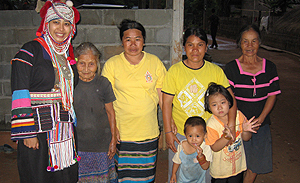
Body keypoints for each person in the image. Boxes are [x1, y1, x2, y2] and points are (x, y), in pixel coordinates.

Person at [10, 0, 80, 182]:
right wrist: (27, 132)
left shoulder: (67, 57)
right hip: (37, 131)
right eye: (55, 22)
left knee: (64, 174)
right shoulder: (30, 51)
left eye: (66, 24)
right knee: (37, 174)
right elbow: (19, 90)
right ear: (46, 24)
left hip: (64, 129)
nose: (61, 28)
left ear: (72, 28)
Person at [162, 27, 237, 182]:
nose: (195, 50)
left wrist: (231, 125)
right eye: (190, 45)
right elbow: (166, 102)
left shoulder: (215, 71)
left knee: (205, 173)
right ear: (184, 47)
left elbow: (231, 100)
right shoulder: (175, 71)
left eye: (200, 45)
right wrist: (168, 132)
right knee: (176, 173)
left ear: (206, 47)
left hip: (208, 134)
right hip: (181, 134)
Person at [101, 19, 167, 182]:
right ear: (122, 41)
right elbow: (106, 101)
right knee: (123, 176)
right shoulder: (112, 64)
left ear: (144, 41)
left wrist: (168, 125)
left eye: (137, 39)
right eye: (127, 39)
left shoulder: (154, 62)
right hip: (122, 133)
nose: (133, 44)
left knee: (146, 176)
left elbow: (162, 98)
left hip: (148, 131)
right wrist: (112, 129)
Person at [224, 24, 281, 183]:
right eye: (245, 42)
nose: (249, 46)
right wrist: (235, 123)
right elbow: (230, 99)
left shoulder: (270, 67)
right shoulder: (231, 68)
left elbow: (272, 95)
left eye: (254, 41)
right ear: (239, 43)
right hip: (237, 125)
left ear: (259, 43)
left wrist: (261, 119)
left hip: (260, 125)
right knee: (235, 164)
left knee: (255, 165)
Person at [74, 42, 118, 182]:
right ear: (76, 62)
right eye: (82, 63)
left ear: (97, 64)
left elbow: (111, 113)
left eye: (91, 64)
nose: (86, 69)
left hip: (101, 145)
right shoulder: (70, 84)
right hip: (78, 145)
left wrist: (113, 139)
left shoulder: (103, 84)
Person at [204, 83, 260, 183]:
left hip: (237, 168)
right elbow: (214, 147)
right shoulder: (211, 124)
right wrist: (225, 138)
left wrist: (246, 130)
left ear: (229, 102)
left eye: (223, 102)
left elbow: (246, 138)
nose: (219, 107)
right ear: (209, 107)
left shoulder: (238, 115)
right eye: (214, 105)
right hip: (220, 171)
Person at [170, 116, 211, 183]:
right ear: (185, 135)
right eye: (190, 136)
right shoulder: (182, 145)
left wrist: (201, 157)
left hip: (199, 181)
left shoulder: (205, 147)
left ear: (205, 135)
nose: (193, 139)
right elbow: (176, 161)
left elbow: (205, 167)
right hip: (183, 180)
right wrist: (173, 174)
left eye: (198, 136)